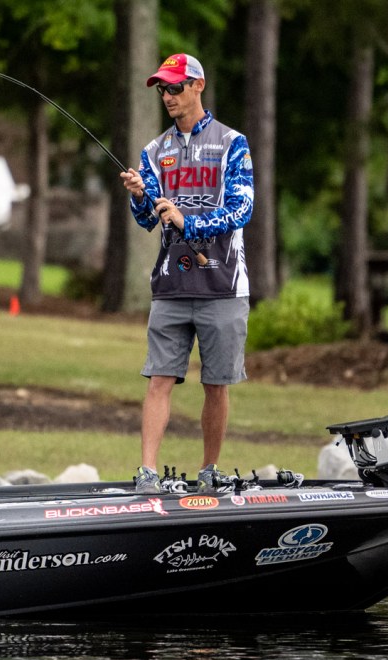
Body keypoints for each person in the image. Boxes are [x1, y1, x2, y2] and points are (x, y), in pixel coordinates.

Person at [119, 53, 254, 494]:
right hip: (171, 285)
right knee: (159, 379)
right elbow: (147, 218)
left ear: (199, 85)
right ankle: (147, 473)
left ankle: (209, 470)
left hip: (223, 285)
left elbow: (241, 208)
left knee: (216, 384)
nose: (167, 96)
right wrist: (139, 196)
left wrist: (188, 222)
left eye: (175, 87)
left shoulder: (233, 143)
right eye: (163, 88)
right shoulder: (153, 151)